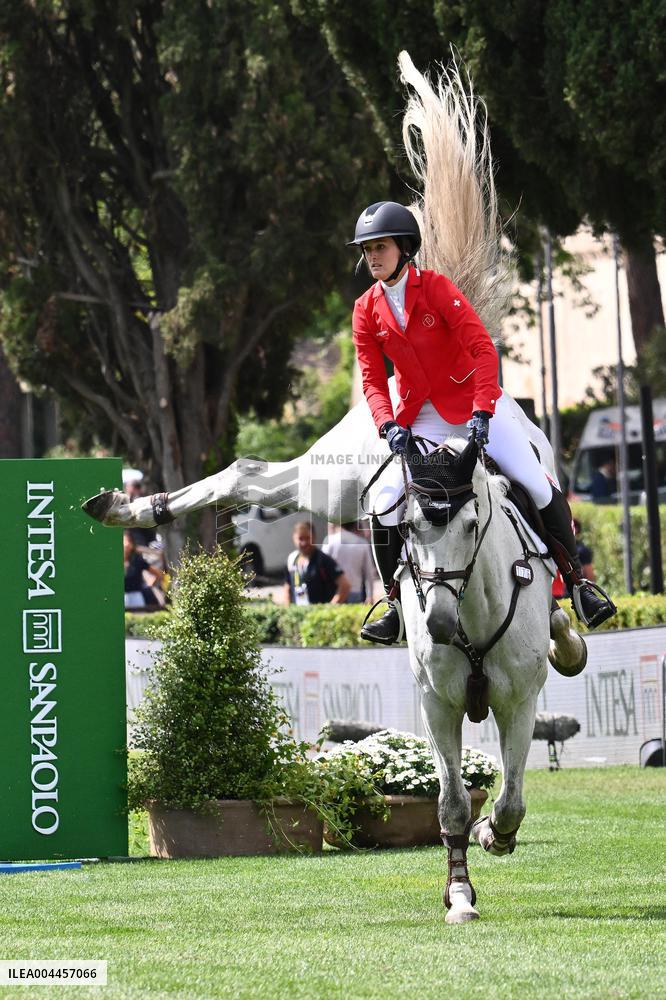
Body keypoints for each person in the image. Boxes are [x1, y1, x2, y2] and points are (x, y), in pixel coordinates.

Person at [349, 201, 615, 644]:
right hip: (421, 416)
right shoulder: (365, 310)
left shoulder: (436, 288)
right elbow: (373, 379)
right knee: (385, 498)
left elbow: (483, 349)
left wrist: (482, 412)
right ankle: (394, 602)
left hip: (475, 401)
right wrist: (387, 424)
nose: (373, 256)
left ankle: (577, 584)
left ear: (404, 248)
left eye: (380, 246)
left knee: (533, 480)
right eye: (367, 249)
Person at [283, 522, 351, 605]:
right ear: (294, 539)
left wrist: (330, 608)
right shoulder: (292, 559)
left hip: (320, 613)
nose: (304, 543)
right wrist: (287, 608)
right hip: (300, 612)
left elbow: (345, 585)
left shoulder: (323, 559)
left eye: (308, 538)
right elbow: (287, 586)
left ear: (314, 537)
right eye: (300, 539)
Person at [322, 522, 376, 603]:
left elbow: (322, 568)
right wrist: (370, 596)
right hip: (356, 591)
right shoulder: (362, 543)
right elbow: (369, 573)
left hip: (335, 593)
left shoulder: (329, 541)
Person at [123, 531, 165, 609]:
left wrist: (150, 585)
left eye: (128, 541)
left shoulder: (137, 561)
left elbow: (158, 574)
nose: (126, 545)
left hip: (136, 596)